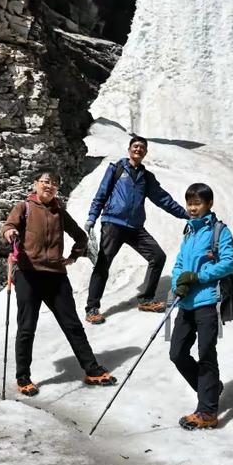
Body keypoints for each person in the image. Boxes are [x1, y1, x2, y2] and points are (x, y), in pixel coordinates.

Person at [2, 169, 117, 397]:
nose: (49, 186)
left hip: (55, 274)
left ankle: (92, 369)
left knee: (72, 324)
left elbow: (81, 237)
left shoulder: (59, 212)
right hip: (28, 274)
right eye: (45, 181)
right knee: (27, 327)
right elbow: (7, 227)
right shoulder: (23, 207)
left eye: (54, 183)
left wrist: (73, 256)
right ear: (35, 184)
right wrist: (11, 232)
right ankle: (23, 377)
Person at [84, 136, 189, 324]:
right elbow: (101, 194)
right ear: (129, 149)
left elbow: (163, 199)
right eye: (135, 146)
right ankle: (92, 308)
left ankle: (146, 299)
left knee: (158, 256)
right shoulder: (115, 169)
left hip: (135, 227)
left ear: (145, 153)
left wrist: (186, 215)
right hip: (112, 223)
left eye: (142, 147)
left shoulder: (146, 177)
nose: (138, 149)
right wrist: (92, 217)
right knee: (103, 263)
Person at [169, 183, 233, 430]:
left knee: (206, 354)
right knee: (177, 353)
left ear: (209, 205)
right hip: (186, 302)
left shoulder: (220, 231)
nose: (193, 208)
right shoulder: (189, 231)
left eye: (197, 203)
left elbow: (229, 263)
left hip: (208, 301)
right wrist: (178, 283)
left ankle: (207, 411)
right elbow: (178, 263)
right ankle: (211, 389)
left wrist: (198, 277)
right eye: (190, 203)